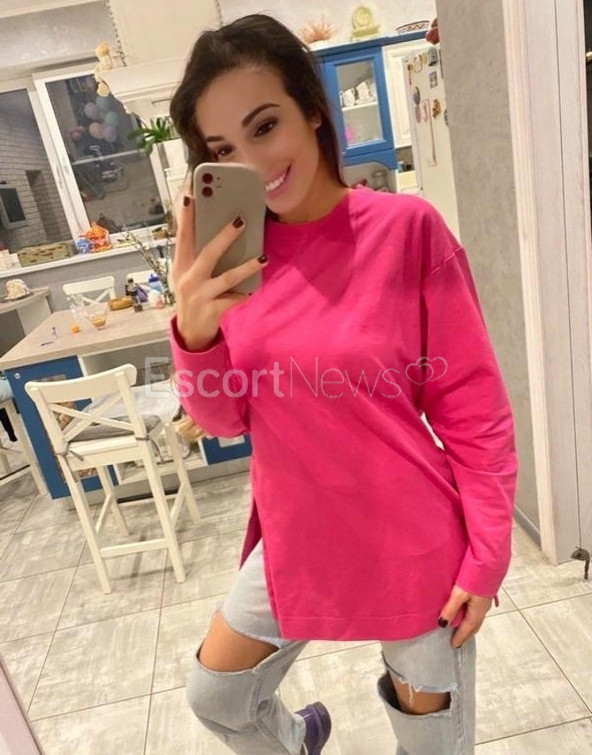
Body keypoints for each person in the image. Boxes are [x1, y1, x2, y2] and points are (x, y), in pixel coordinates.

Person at [168, 14, 518, 755]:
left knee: (431, 744)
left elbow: (473, 409)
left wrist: (486, 557)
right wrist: (195, 334)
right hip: (296, 536)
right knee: (218, 696)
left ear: (313, 110)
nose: (252, 163)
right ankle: (301, 738)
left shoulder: (407, 230)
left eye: (265, 126)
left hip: (411, 542)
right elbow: (224, 420)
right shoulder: (233, 267)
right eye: (223, 151)